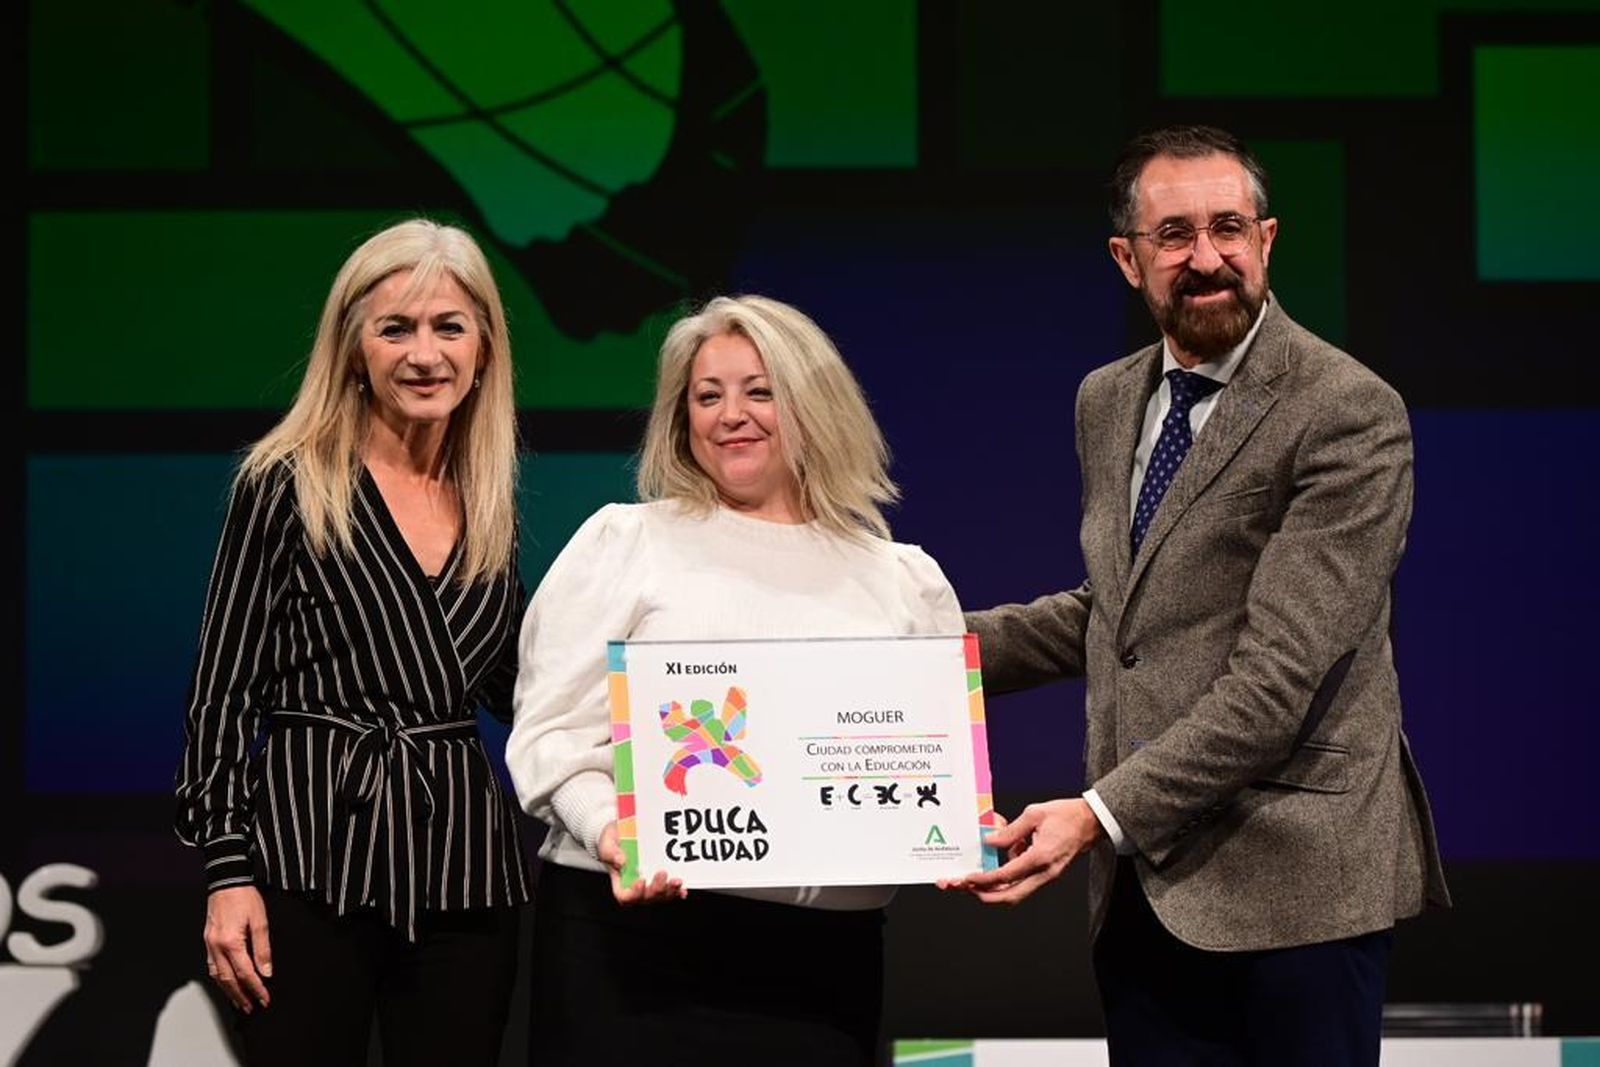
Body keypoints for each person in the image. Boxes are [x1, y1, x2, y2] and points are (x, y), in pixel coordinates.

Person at [948, 126, 1451, 1065]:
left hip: (1297, 887)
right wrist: (901, 649)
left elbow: (1276, 682)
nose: (1206, 256)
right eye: (1174, 234)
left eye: (1228, 228)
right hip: (1148, 887)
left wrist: (1095, 815)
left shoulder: (1347, 409)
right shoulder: (1107, 399)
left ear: (1267, 240)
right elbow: (1120, 613)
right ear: (1128, 259)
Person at [506, 294, 963, 1067]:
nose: (731, 415)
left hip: (821, 962)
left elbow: (934, 762)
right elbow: (552, 735)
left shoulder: (901, 580)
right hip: (630, 946)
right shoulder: (627, 544)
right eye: (706, 396)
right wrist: (614, 832)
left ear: (811, 403)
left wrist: (952, 834)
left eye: (758, 390)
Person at [173, 218, 532, 1065]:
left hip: (463, 871)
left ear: (484, 348)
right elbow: (222, 692)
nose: (424, 354)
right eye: (395, 328)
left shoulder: (486, 502)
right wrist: (228, 870)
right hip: (308, 864)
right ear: (353, 348)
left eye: (449, 327)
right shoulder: (284, 482)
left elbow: (518, 688)